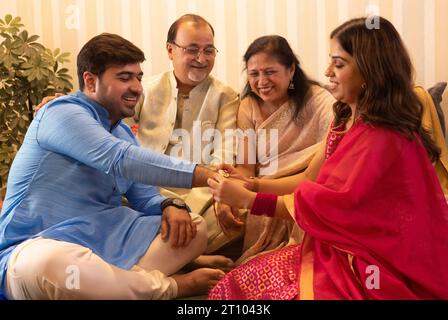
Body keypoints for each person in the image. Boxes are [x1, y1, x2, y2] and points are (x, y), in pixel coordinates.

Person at [207, 17, 448, 299]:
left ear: (372, 70)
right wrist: (253, 185)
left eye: (339, 64)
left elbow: (329, 203)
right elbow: (311, 178)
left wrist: (249, 200)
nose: (327, 71)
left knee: (238, 290)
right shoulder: (344, 117)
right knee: (233, 285)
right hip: (334, 244)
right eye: (254, 73)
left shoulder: (381, 135)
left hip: (373, 259)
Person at [0, 33, 225, 300]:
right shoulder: (61, 114)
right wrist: (209, 177)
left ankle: (111, 287)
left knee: (192, 228)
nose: (136, 87)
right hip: (39, 247)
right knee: (49, 263)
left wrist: (171, 206)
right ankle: (169, 287)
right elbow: (120, 158)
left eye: (138, 77)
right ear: (90, 80)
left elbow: (146, 195)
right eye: (124, 77)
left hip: (104, 247)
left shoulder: (122, 132)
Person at [36, 14, 239, 268]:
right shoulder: (146, 89)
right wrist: (65, 103)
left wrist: (216, 189)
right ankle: (178, 267)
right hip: (140, 189)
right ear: (170, 50)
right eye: (192, 50)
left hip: (193, 194)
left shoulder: (225, 96)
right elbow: (113, 138)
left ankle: (163, 260)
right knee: (113, 203)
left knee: (222, 215)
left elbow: (225, 153)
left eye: (209, 50)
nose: (201, 58)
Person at [213, 35, 334, 264]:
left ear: (291, 70)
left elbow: (332, 154)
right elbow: (247, 168)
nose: (261, 81)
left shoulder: (318, 100)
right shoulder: (248, 106)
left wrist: (254, 187)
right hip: (264, 191)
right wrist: (234, 189)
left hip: (305, 190)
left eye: (269, 72)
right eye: (254, 74)